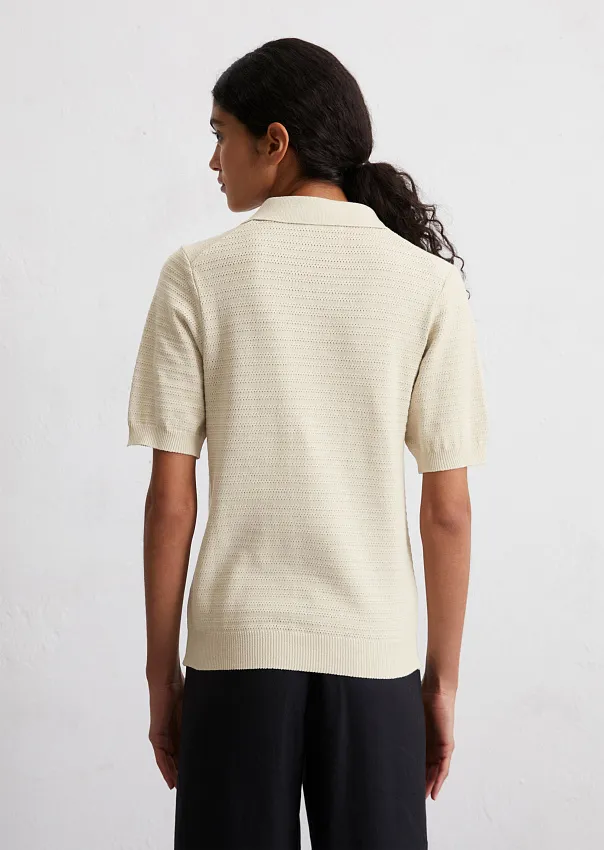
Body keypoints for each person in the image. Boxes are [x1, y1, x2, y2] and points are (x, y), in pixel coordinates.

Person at [126, 36, 488, 850]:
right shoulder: (427, 285)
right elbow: (449, 510)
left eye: (221, 135)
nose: (213, 160)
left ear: (275, 142)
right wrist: (441, 682)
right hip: (376, 659)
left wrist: (160, 674)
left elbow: (170, 502)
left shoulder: (197, 275)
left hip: (233, 656)